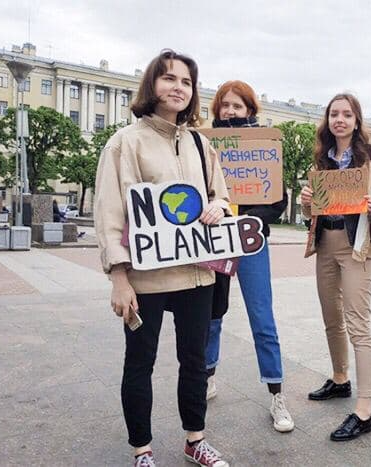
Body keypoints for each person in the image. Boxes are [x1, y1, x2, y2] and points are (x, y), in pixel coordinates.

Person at [94, 49, 231, 467]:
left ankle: (195, 440)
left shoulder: (200, 143)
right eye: (169, 78)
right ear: (152, 84)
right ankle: (142, 450)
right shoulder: (125, 142)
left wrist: (219, 206)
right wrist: (119, 278)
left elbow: (221, 196)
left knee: (195, 361)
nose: (178, 87)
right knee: (140, 362)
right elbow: (110, 212)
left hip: (197, 273)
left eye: (187, 82)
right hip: (146, 277)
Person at [300, 93, 371, 442]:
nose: (339, 120)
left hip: (357, 246)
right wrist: (306, 202)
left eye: (346, 114)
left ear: (357, 120)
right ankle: (340, 379)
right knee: (332, 317)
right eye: (334, 114)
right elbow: (311, 212)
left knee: (358, 324)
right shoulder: (321, 161)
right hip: (326, 244)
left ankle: (364, 410)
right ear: (327, 120)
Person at [203, 80, 294, 433]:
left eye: (237, 106)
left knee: (262, 318)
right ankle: (207, 376)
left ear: (250, 110)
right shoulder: (204, 144)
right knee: (212, 314)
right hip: (214, 240)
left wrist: (248, 220)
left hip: (251, 241)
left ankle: (276, 393)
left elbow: (277, 200)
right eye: (225, 105)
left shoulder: (264, 146)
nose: (230, 111)